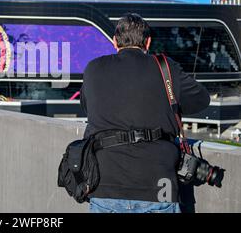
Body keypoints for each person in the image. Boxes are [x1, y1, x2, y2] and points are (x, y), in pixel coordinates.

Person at [80, 13, 210, 213]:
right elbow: (201, 99)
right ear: (148, 42)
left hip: (105, 186)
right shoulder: (166, 68)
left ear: (115, 41)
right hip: (159, 186)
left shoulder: (93, 69)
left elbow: (88, 108)